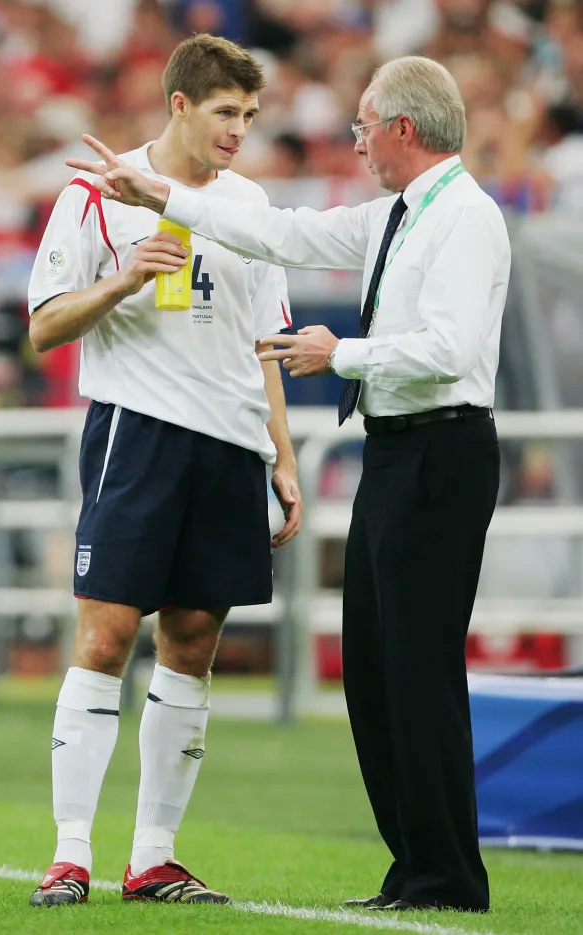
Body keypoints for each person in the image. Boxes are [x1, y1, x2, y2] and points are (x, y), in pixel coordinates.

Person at [70, 54, 511, 913]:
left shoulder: (466, 218)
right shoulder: (399, 214)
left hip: (443, 453)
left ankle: (449, 873)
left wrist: (337, 353)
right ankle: (415, 867)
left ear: (402, 131)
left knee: (417, 670)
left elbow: (451, 350)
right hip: (394, 450)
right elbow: (285, 235)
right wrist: (158, 193)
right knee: (376, 672)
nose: (354, 140)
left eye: (362, 125)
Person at [27, 33, 302, 908]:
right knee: (105, 638)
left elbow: (266, 341)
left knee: (192, 645)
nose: (239, 131)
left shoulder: (252, 205)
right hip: (136, 435)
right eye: (226, 113)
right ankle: (70, 853)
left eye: (250, 117)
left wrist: (284, 456)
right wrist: (123, 281)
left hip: (229, 446)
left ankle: (153, 856)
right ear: (180, 104)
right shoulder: (95, 196)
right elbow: (43, 326)